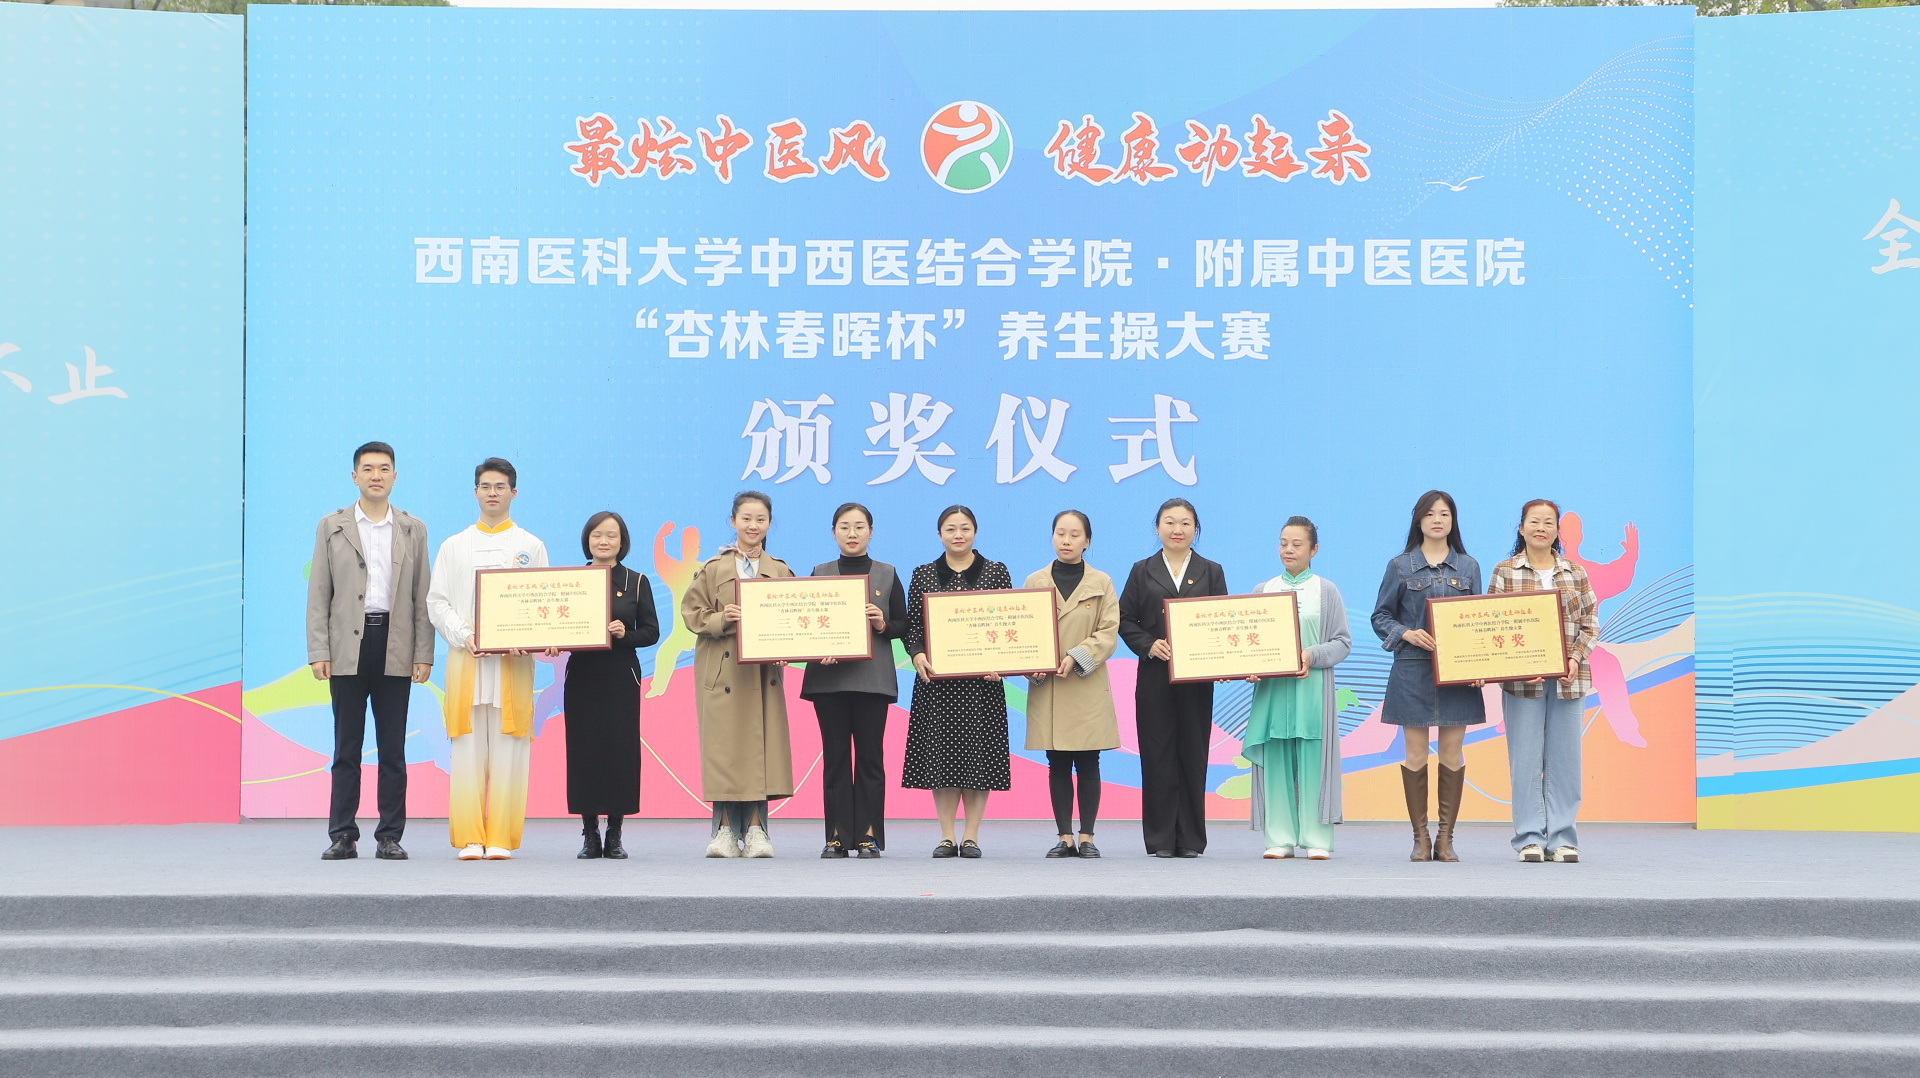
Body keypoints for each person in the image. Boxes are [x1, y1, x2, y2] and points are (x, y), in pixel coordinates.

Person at [307, 441, 433, 861]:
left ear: (395, 476)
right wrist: (319, 650)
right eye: (368, 468)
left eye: (383, 468)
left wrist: (423, 652)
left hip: (395, 643)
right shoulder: (332, 526)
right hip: (348, 644)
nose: (376, 475)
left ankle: (389, 835)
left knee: (393, 748)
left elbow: (422, 595)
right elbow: (319, 593)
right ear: (354, 476)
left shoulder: (413, 528)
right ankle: (343, 834)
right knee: (346, 747)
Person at [426, 457, 551, 861]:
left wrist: (531, 637)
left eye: (500, 486)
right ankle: (470, 838)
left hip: (513, 666)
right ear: (475, 492)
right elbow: (437, 602)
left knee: (510, 752)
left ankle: (500, 837)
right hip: (468, 663)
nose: (492, 493)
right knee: (466, 753)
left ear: (514, 492)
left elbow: (543, 603)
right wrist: (465, 635)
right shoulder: (454, 546)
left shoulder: (531, 546)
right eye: (485, 486)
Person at [681, 491, 795, 859]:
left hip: (762, 674)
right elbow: (691, 613)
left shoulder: (780, 570)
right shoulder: (713, 567)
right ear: (733, 521)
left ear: (769, 524)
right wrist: (721, 619)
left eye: (760, 519)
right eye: (746, 518)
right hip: (723, 670)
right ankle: (725, 831)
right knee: (724, 751)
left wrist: (789, 647)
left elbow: (794, 620)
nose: (753, 525)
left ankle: (757, 830)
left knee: (761, 750)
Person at [1372, 489, 1484, 863]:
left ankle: (1445, 838)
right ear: (1418, 520)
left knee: (1452, 752)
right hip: (1413, 669)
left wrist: (1481, 667)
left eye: (1445, 514)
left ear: (1453, 521)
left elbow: (1479, 622)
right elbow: (1380, 616)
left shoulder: (1468, 567)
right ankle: (1420, 837)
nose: (1438, 520)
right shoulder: (1400, 566)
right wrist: (1406, 632)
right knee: (1416, 753)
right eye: (1430, 513)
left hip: (1457, 674)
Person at [1488, 499, 1599, 865]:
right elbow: (1492, 625)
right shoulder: (1505, 571)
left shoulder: (1575, 572)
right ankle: (1529, 839)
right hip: (1523, 684)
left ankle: (1563, 838)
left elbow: (1590, 624)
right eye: (1534, 521)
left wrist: (1574, 658)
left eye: (1548, 522)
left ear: (1556, 531)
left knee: (1566, 761)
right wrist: (1518, 665)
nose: (1541, 528)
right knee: (1524, 760)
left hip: (1569, 680)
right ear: (1521, 529)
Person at [1118, 498, 1229, 858]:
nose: (1177, 529)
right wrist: (1148, 644)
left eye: (1185, 523)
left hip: (1197, 679)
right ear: (1157, 527)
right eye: (1169, 522)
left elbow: (1223, 620)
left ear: (1195, 529)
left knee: (1193, 754)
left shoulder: (1211, 571)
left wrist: (1222, 662)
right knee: (1157, 754)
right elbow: (1124, 619)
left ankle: (1191, 839)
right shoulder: (1141, 570)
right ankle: (1161, 839)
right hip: (1155, 675)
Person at [903, 505, 1013, 859]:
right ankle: (947, 835)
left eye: (965, 528)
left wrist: (1002, 663)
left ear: (975, 532)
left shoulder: (996, 572)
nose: (958, 535)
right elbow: (913, 627)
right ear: (940, 535)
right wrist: (917, 654)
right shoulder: (923, 574)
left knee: (979, 759)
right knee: (943, 760)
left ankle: (971, 836)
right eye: (950, 529)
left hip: (982, 685)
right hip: (938, 684)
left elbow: (1007, 622)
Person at [800, 502, 907, 859]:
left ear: (871, 532)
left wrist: (882, 623)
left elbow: (904, 624)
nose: (852, 533)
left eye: (859, 526)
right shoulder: (819, 573)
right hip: (828, 681)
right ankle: (836, 836)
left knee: (870, 759)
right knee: (835, 759)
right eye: (844, 526)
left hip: (872, 681)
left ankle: (868, 835)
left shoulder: (887, 574)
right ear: (833, 533)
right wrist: (817, 648)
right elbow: (805, 623)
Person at [1244, 517, 1352, 860]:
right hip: (1273, 692)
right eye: (1283, 543)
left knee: (1313, 760)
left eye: (1297, 544)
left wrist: (1311, 655)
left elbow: (1342, 643)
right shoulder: (1264, 590)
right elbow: (1250, 644)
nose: (1288, 550)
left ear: (1314, 550)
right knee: (1276, 759)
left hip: (1312, 691)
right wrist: (1250, 667)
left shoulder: (1326, 591)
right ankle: (1279, 838)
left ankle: (1317, 839)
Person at [1022, 510, 1120, 859]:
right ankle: (1064, 836)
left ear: (1087, 541)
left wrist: (1077, 656)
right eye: (1060, 533)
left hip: (1085, 682)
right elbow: (1024, 632)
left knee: (1089, 761)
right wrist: (1032, 664)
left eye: (1075, 534)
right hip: (1048, 684)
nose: (1067, 540)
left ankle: (1088, 836)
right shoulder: (1034, 581)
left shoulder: (1102, 582)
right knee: (1058, 762)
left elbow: (1108, 632)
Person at [563, 511, 660, 860]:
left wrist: (624, 634)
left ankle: (615, 833)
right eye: (597, 535)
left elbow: (651, 631)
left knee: (620, 751)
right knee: (584, 751)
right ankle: (590, 833)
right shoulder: (572, 581)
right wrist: (552, 641)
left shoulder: (637, 581)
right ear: (587, 540)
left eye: (611, 535)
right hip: (582, 676)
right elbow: (559, 625)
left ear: (622, 542)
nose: (603, 541)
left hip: (620, 675)